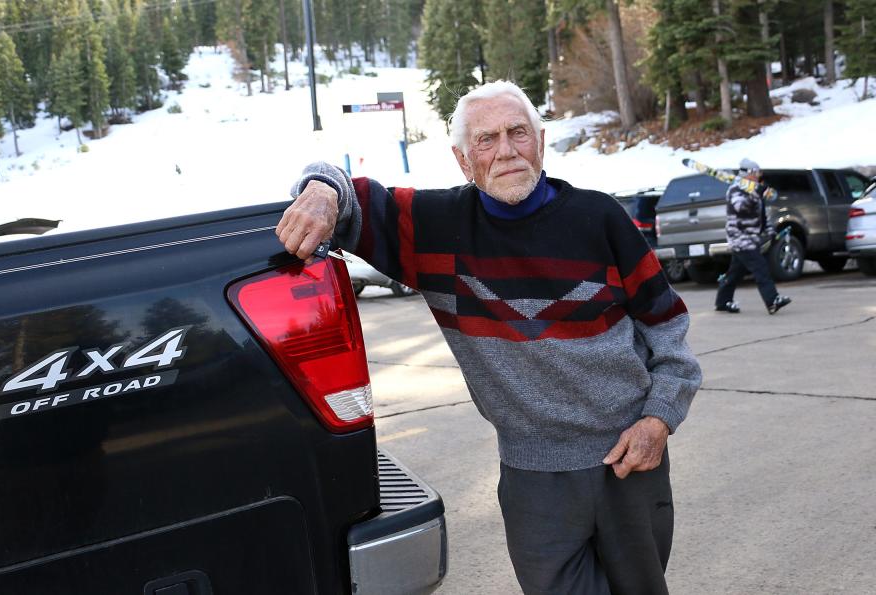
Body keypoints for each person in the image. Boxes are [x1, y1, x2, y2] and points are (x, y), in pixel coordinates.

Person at [276, 81, 702, 595]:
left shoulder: (600, 218)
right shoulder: (435, 228)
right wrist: (322, 192)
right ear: (462, 159)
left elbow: (668, 328)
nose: (506, 150)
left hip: (631, 460)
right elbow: (347, 196)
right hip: (532, 478)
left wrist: (660, 419)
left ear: (540, 141)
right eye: (486, 139)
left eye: (518, 132)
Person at [714, 158, 792, 315]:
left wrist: (770, 231)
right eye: (756, 172)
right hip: (740, 238)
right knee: (760, 268)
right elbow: (740, 207)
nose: (759, 175)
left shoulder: (754, 190)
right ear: (748, 173)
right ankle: (772, 301)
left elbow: (761, 215)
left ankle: (722, 301)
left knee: (735, 272)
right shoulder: (735, 189)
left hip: (751, 238)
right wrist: (755, 194)